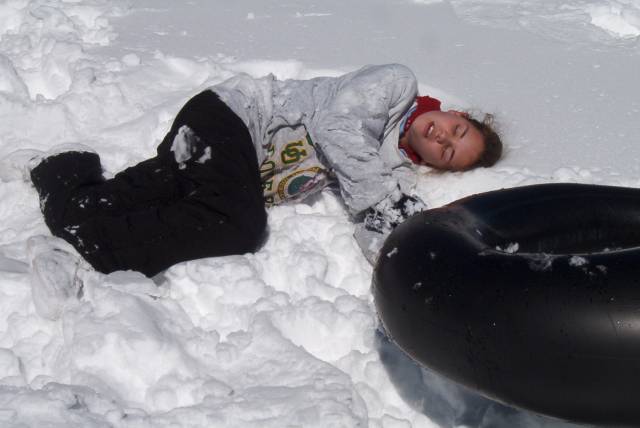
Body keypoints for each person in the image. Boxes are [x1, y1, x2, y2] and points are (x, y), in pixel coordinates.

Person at [6, 63, 502, 282]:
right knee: (235, 224)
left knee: (158, 192)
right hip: (233, 116)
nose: (443, 138)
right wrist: (385, 202)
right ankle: (85, 249)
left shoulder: (388, 168)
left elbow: (379, 222)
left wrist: (406, 254)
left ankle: (63, 175)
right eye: (456, 129)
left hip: (224, 155)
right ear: (454, 112)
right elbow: (339, 126)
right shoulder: (395, 85)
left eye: (449, 153)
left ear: (436, 165)